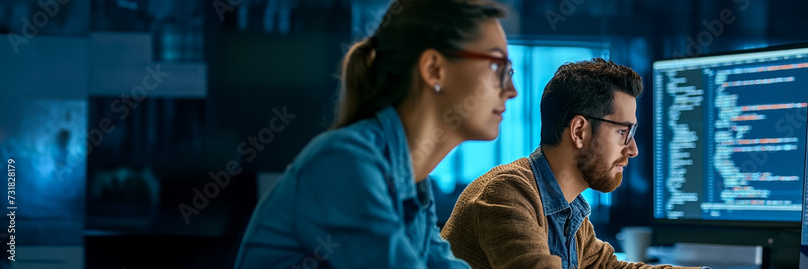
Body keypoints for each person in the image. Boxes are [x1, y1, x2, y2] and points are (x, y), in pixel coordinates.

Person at [234, 0, 517, 268]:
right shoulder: (345, 161)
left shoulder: (412, 183)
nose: (512, 90)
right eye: (497, 67)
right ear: (434, 69)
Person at [441, 58, 703, 269]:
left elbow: (610, 267)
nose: (632, 150)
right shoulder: (506, 193)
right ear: (579, 131)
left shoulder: (568, 213)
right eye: (623, 132)